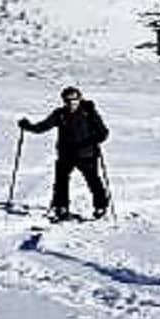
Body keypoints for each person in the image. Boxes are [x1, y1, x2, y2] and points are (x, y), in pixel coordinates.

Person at [19, 85, 110, 219]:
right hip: (66, 154)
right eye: (68, 100)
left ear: (79, 98)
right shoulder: (60, 114)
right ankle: (61, 207)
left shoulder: (89, 112)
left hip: (87, 155)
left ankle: (100, 206)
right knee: (61, 182)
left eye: (74, 99)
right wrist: (28, 126)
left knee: (93, 181)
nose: (71, 103)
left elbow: (103, 132)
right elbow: (43, 127)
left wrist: (91, 141)